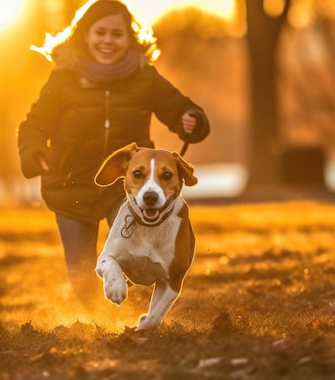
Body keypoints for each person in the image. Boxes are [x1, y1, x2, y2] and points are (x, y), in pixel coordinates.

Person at [17, 0, 210, 302]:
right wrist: (34, 151)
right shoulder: (64, 77)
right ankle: (93, 326)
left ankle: (128, 317)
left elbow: (179, 107)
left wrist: (192, 119)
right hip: (70, 184)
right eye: (100, 33)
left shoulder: (144, 76)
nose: (108, 41)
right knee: (80, 273)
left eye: (117, 34)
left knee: (126, 257)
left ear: (130, 37)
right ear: (85, 35)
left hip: (124, 185)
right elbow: (34, 125)